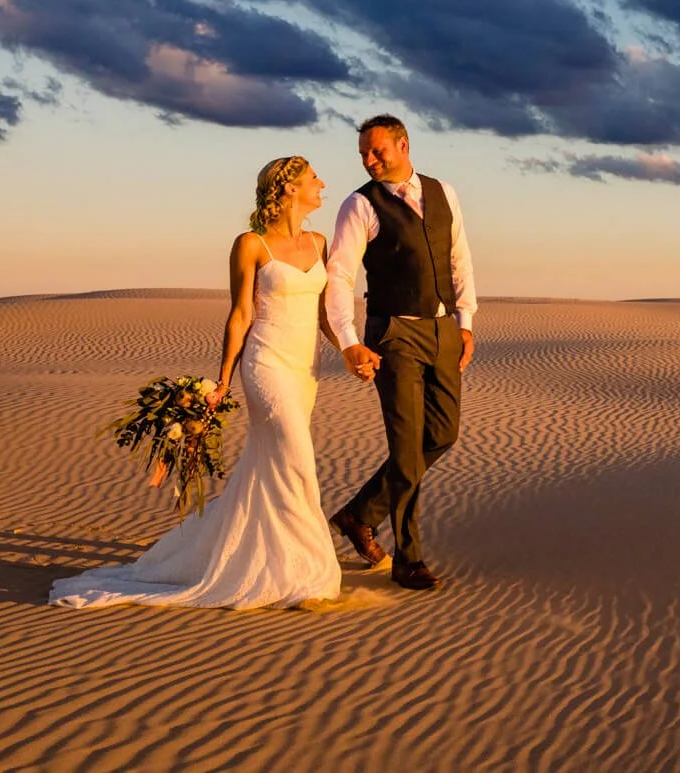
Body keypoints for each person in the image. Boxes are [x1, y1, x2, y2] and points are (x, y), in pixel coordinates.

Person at [51, 158, 343, 610]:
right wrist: (223, 379)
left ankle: (266, 558)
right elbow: (241, 314)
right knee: (296, 456)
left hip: (307, 369)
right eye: (313, 180)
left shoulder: (320, 242)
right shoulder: (251, 244)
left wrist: (349, 348)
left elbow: (324, 312)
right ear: (288, 189)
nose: (322, 185)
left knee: (269, 465)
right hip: (266, 362)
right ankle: (311, 573)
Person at [323, 114, 476, 592]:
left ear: (403, 144)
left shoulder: (444, 193)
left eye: (377, 151)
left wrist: (465, 322)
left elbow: (459, 258)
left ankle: (358, 514)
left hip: (442, 330)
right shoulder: (359, 205)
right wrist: (349, 341)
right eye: (364, 155)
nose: (370, 161)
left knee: (444, 434)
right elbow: (340, 277)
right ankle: (409, 559)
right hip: (393, 336)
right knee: (406, 451)